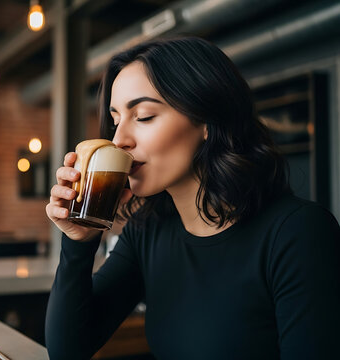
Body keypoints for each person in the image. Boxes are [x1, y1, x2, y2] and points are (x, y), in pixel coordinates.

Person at [44, 36, 340, 360]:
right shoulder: (149, 231)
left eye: (143, 116)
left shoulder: (298, 233)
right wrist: (79, 239)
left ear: (208, 122)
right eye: (115, 120)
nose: (118, 140)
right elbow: (68, 350)